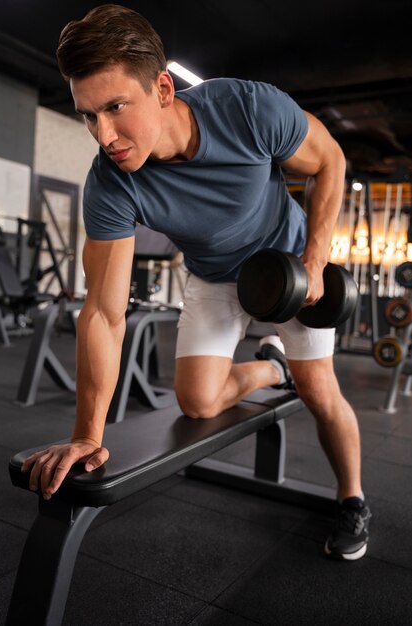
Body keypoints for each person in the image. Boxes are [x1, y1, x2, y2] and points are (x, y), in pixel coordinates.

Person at [21, 3, 371, 560]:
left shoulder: (248, 109)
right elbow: (104, 314)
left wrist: (314, 256)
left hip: (286, 269)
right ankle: (270, 364)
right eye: (89, 115)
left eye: (115, 107)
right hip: (212, 277)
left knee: (319, 390)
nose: (104, 134)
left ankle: (352, 497)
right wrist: (89, 434)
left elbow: (329, 159)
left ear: (163, 88)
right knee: (197, 404)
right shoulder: (111, 184)